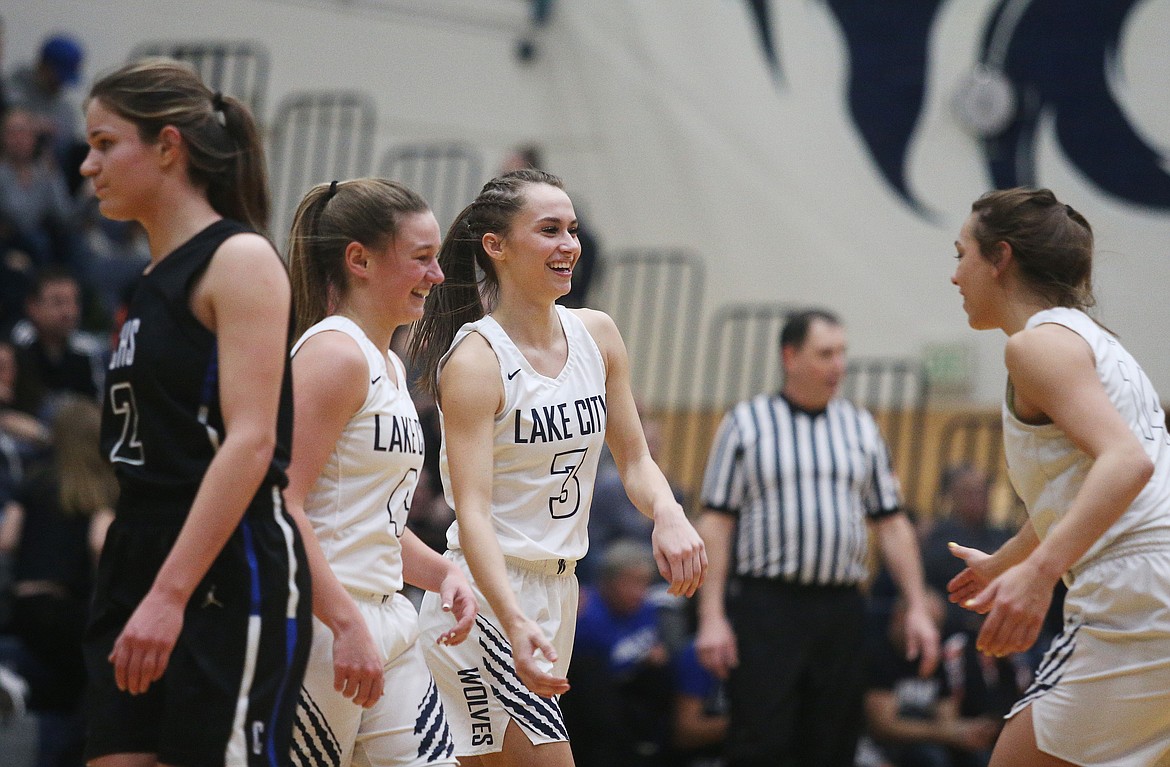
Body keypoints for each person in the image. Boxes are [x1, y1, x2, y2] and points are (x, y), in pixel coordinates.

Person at [408, 168, 706, 766]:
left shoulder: (598, 334)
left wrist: (669, 512)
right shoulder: (474, 361)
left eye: (571, 230)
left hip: (559, 590)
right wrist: (514, 619)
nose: (569, 245)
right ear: (496, 245)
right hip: (490, 598)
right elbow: (471, 515)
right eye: (549, 230)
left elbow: (637, 459)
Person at [78, 58, 312, 767]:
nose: (88, 165)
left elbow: (251, 440)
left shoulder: (238, 259)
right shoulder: (147, 279)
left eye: (104, 143)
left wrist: (169, 593)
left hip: (224, 557)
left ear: (168, 146)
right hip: (137, 546)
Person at [946, 187, 1170, 766]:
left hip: (1137, 597)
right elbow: (1086, 489)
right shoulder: (1099, 344)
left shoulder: (1037, 348)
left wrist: (1039, 576)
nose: (955, 276)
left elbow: (1127, 463)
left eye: (961, 255)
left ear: (1000, 258)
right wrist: (1007, 563)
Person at [283, 177, 479, 766]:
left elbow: (371, 521)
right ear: (359, 260)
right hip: (322, 623)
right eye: (422, 259)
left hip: (387, 618)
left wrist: (442, 571)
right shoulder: (333, 355)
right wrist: (343, 624)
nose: (438, 275)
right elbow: (280, 506)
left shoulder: (389, 364)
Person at [694, 308, 940, 767]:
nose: (838, 366)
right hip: (768, 605)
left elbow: (891, 523)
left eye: (842, 353)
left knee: (833, 741)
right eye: (825, 354)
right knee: (761, 738)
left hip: (842, 609)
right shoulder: (746, 423)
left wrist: (918, 608)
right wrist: (712, 615)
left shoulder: (861, 426)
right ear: (790, 356)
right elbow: (716, 522)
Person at [0, 396, 115, 767]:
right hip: (67, 609)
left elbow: (7, 539)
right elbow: (101, 543)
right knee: (98, 683)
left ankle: (20, 684)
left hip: (22, 606)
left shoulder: (34, 480)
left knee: (66, 689)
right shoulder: (97, 492)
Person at [862, 592, 1000, 767]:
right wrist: (948, 732)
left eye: (937, 627)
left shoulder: (936, 656)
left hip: (927, 739)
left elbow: (947, 716)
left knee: (978, 756)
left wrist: (969, 730)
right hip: (876, 745)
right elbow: (883, 727)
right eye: (927, 625)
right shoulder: (878, 654)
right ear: (899, 617)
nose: (932, 635)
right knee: (931, 758)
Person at [8, 267, 104, 421]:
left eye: (74, 302)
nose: (69, 312)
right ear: (33, 307)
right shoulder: (16, 349)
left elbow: (97, 407)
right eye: (58, 303)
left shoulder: (87, 352)